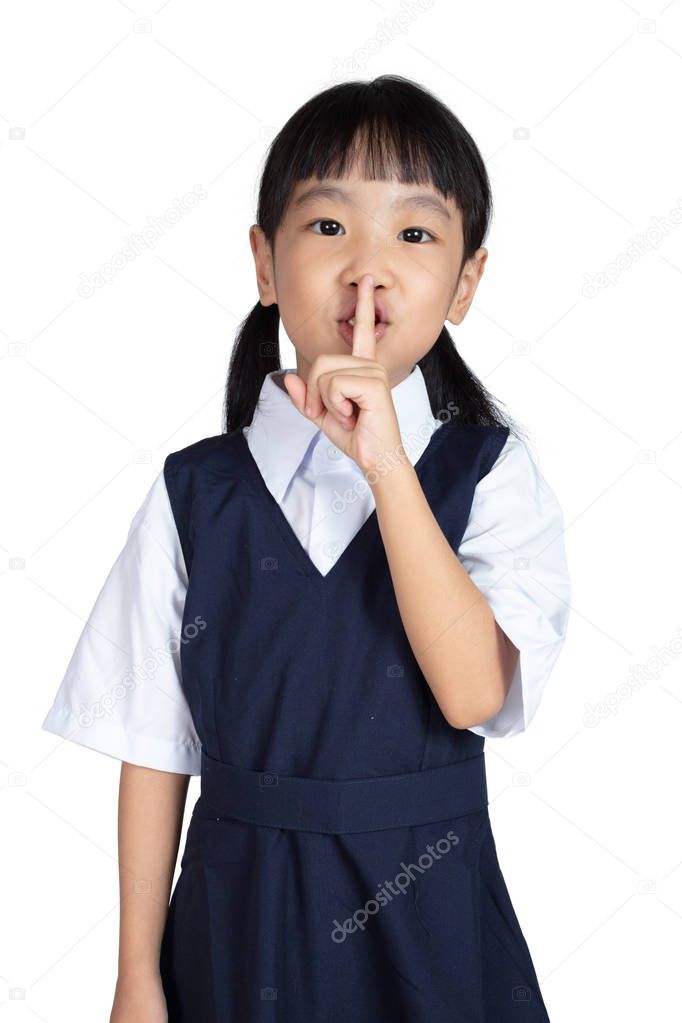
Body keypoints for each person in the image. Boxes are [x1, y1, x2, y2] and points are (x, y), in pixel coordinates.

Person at [41, 74, 571, 1022]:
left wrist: (388, 468)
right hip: (236, 917)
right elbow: (153, 743)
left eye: (414, 234)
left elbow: (475, 691)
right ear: (263, 262)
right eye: (329, 228)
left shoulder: (486, 472)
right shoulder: (195, 494)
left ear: (466, 283)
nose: (368, 270)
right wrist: (135, 975)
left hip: (429, 916)